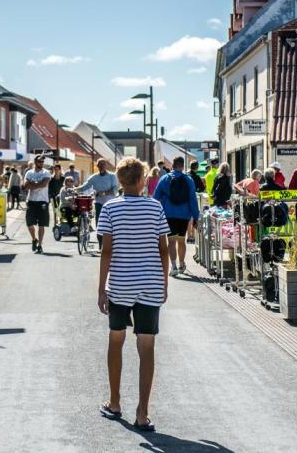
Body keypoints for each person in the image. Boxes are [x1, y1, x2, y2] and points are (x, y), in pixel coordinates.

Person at [97, 157, 170, 432]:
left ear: (119, 180)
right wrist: (164, 282)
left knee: (116, 339)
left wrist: (101, 288)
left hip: (120, 284)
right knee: (147, 346)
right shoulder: (155, 208)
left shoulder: (110, 209)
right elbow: (163, 249)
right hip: (150, 282)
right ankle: (142, 412)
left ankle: (115, 403)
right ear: (142, 181)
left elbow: (106, 251)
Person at [154, 156, 199, 277]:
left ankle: (173, 266)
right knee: (181, 240)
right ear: (183, 166)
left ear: (173, 165)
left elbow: (155, 197)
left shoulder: (164, 179)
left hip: (168, 214)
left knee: (171, 241)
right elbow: (193, 199)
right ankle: (182, 263)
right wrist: (196, 217)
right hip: (184, 215)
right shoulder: (188, 180)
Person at [79, 159, 119, 248]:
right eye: (100, 165)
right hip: (99, 203)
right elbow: (85, 186)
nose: (101, 166)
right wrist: (74, 189)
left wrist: (104, 192)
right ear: (97, 166)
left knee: (112, 224)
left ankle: (113, 244)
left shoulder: (112, 176)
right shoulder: (94, 177)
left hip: (110, 203)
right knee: (99, 224)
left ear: (106, 166)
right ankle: (101, 245)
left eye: (103, 164)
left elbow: (116, 189)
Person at [24, 155, 52, 253]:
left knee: (41, 224)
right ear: (35, 162)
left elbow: (44, 184)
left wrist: (33, 184)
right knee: (29, 223)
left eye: (42, 161)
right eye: (39, 161)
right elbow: (25, 186)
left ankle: (40, 245)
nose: (41, 163)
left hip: (43, 201)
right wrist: (37, 185)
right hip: (31, 200)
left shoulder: (46, 172)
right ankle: (34, 239)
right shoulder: (29, 172)